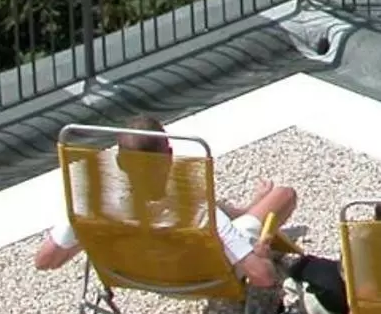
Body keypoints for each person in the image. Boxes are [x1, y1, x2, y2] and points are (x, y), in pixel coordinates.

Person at [32, 119, 298, 278]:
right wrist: (262, 251)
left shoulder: (91, 206)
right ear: (169, 154)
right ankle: (255, 209)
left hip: (134, 273)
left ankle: (247, 208)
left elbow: (44, 261)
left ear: (120, 162)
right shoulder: (199, 210)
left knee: (216, 211)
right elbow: (262, 277)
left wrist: (90, 238)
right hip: (203, 274)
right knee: (284, 195)